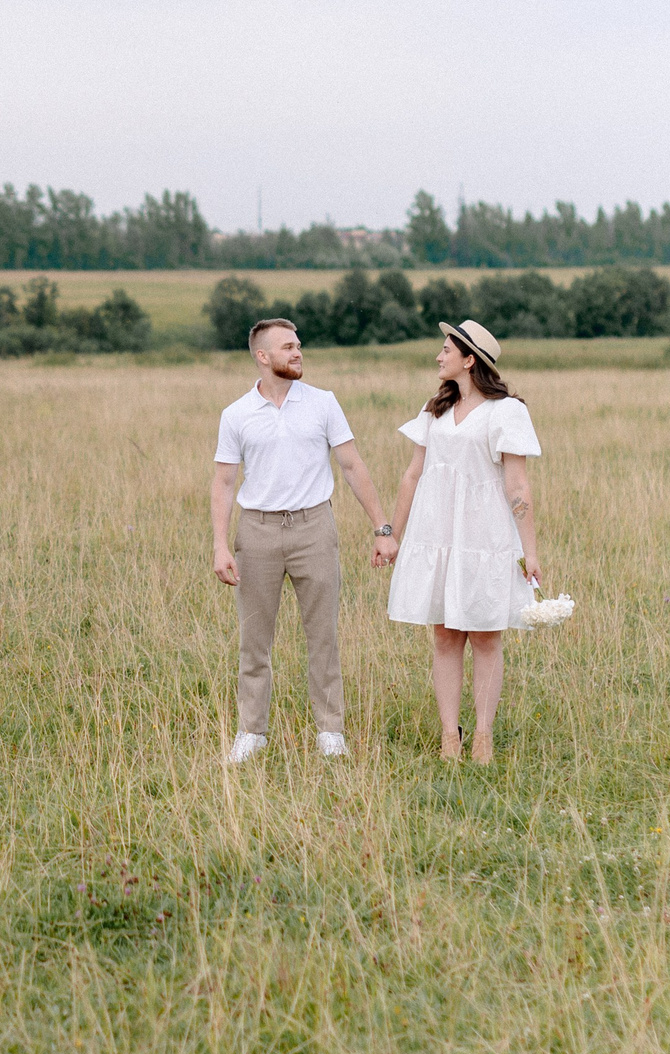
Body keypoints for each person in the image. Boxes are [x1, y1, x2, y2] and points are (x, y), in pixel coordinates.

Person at [210, 317, 401, 765]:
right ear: (263, 357)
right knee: (254, 639)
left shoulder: (323, 403)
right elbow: (223, 481)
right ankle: (251, 733)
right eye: (288, 347)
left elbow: (352, 465)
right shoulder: (236, 414)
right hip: (256, 533)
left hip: (315, 528)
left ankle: (330, 731)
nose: (298, 353)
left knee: (324, 636)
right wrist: (220, 545)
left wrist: (382, 528)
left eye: (299, 345)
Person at [381, 319, 543, 764]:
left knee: (487, 636)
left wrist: (529, 551)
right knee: (445, 635)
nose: (438, 356)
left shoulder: (506, 411)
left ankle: (484, 736)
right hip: (438, 533)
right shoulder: (434, 409)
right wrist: (391, 534)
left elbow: (518, 485)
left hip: (485, 536)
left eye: (446, 350)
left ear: (469, 360)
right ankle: (449, 736)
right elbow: (413, 474)